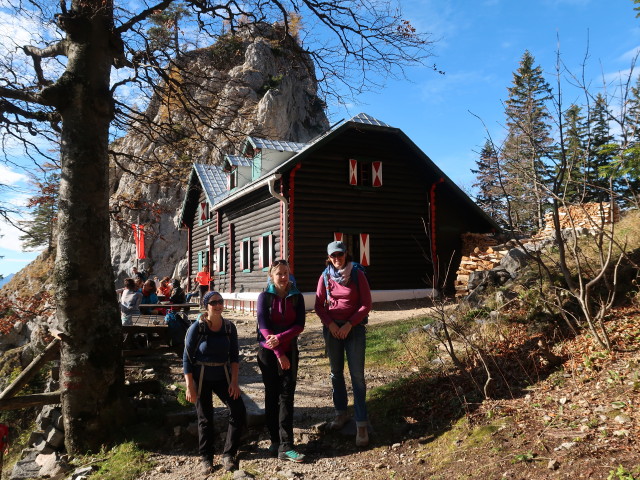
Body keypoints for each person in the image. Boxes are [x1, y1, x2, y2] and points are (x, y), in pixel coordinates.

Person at [314, 241, 372, 447]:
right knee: (335, 373)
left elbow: (366, 303)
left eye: (340, 255)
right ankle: (341, 414)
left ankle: (361, 423)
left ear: (346, 254)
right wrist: (330, 325)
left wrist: (349, 324)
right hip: (332, 330)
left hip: (353, 330)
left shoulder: (357, 274)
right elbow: (319, 305)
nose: (337, 259)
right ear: (328, 257)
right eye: (333, 256)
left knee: (357, 376)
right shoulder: (325, 276)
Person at [184, 291, 246, 473]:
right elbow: (187, 359)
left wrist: (234, 383)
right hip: (201, 376)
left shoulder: (229, 327)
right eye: (213, 302)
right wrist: (189, 386)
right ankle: (206, 457)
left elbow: (234, 357)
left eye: (220, 301)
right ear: (206, 306)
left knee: (238, 409)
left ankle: (229, 454)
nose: (218, 305)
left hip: (222, 376)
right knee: (205, 417)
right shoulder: (198, 327)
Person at [256, 259, 306, 463]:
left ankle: (286, 445)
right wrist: (279, 353)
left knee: (286, 397)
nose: (283, 277)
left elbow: (299, 325)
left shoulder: (297, 297)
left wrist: (281, 339)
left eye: (286, 273)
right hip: (269, 354)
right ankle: (275, 441)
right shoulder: (264, 297)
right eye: (279, 274)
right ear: (271, 276)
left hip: (290, 350)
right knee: (271, 395)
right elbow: (263, 326)